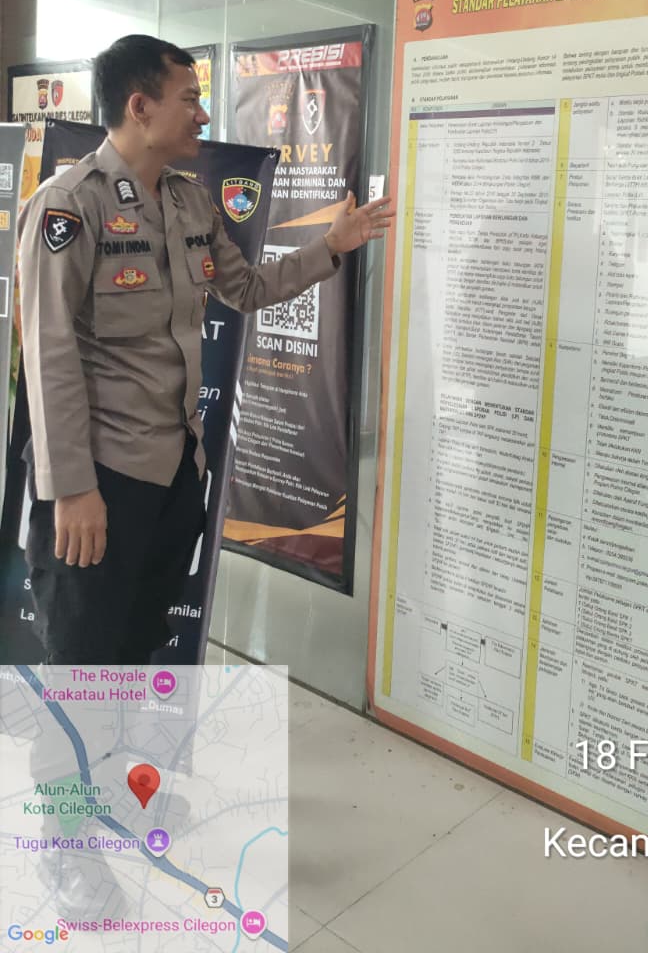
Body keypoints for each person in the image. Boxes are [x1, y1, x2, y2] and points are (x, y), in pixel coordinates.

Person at [17, 34, 393, 665]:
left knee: (139, 650)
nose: (203, 114)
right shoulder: (70, 204)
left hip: (174, 474)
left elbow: (245, 289)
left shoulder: (189, 200)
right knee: (83, 660)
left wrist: (330, 246)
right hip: (101, 478)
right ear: (140, 107)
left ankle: (131, 735)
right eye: (189, 99)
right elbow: (48, 354)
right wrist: (72, 488)